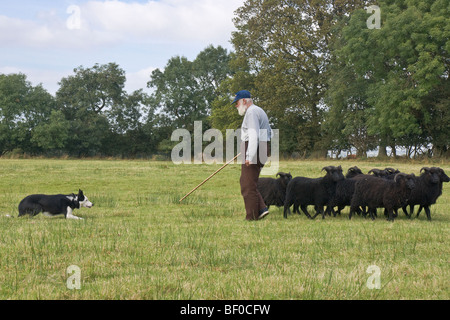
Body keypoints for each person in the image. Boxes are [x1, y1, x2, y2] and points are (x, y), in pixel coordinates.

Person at [232, 90, 272, 221]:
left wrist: (249, 155)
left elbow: (253, 134)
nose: (236, 106)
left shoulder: (251, 112)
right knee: (248, 181)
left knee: (247, 185)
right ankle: (261, 209)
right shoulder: (258, 110)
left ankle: (252, 216)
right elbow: (269, 132)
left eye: (237, 103)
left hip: (255, 149)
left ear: (244, 101)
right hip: (260, 147)